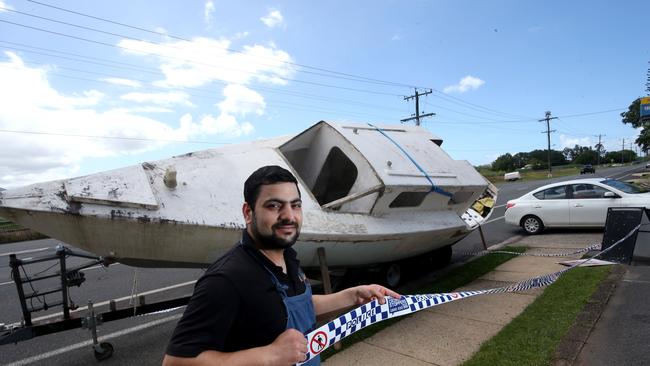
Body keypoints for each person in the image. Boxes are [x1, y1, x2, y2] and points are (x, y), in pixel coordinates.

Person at [163, 165, 400, 366]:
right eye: (274, 206)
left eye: (295, 205)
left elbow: (293, 307)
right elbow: (176, 361)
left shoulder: (288, 257)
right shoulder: (226, 279)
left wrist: (352, 296)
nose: (289, 216)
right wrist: (268, 355)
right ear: (248, 212)